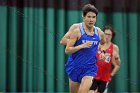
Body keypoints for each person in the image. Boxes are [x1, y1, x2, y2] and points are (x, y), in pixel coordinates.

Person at [60, 4, 106, 93]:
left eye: (93, 17)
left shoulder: (99, 32)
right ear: (83, 17)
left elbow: (103, 44)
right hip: (75, 66)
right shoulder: (76, 29)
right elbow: (64, 43)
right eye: (89, 17)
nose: (91, 19)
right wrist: (81, 45)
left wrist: (102, 52)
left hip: (89, 68)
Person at [89, 25, 121, 93]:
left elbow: (118, 65)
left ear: (112, 36)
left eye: (109, 35)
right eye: (106, 34)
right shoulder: (97, 44)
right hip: (94, 75)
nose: (107, 36)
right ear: (102, 34)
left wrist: (111, 75)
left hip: (104, 78)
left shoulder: (114, 47)